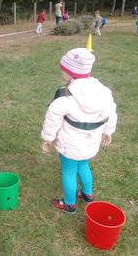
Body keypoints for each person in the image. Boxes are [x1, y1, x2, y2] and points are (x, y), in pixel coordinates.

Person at [41, 48, 117, 213]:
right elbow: (112, 111)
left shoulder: (65, 96)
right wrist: (108, 131)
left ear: (71, 73)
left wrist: (47, 138)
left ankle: (69, 204)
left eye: (64, 70)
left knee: (69, 171)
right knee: (83, 166)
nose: (62, 73)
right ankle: (88, 194)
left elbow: (52, 118)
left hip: (70, 144)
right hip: (91, 142)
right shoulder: (103, 91)